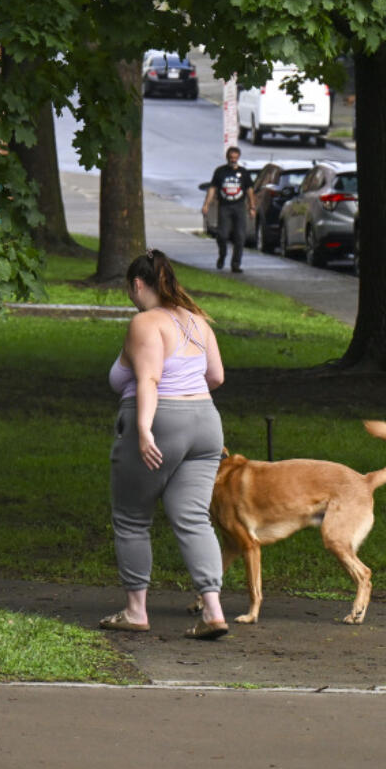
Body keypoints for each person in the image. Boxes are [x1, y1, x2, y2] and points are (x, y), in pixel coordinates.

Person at [102, 250, 229, 640]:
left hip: (162, 420)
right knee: (192, 517)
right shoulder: (198, 321)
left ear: (138, 285)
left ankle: (136, 610)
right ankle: (213, 610)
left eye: (130, 288)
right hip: (207, 423)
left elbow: (149, 380)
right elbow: (217, 377)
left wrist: (144, 429)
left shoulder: (145, 323)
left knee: (131, 517)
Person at [201, 146, 256, 273]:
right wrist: (206, 205)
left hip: (239, 207)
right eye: (231, 158)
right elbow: (213, 189)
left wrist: (252, 207)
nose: (233, 160)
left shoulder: (243, 173)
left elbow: (250, 191)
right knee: (222, 235)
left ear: (238, 158)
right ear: (227, 158)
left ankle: (235, 264)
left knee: (240, 237)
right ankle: (222, 255)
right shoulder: (220, 172)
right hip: (225, 206)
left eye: (235, 158)